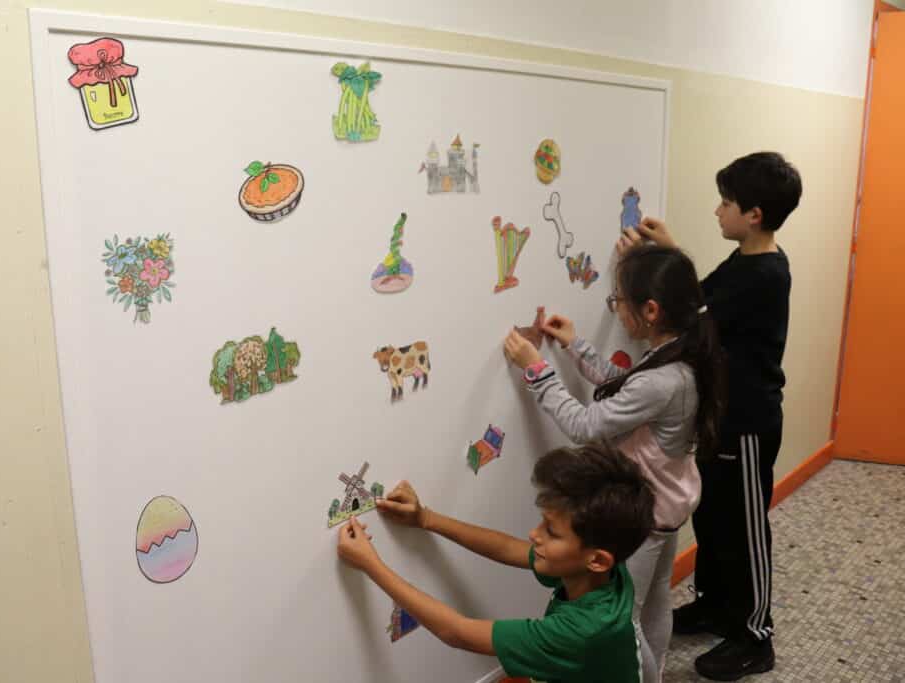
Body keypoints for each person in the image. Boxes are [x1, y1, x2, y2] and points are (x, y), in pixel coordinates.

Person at [503, 244, 725, 683]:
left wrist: (537, 370)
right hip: (669, 504)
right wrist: (575, 346)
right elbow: (624, 386)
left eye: (618, 299)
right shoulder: (679, 355)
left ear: (651, 310)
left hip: (644, 516)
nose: (617, 307)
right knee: (655, 601)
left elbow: (584, 425)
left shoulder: (664, 379)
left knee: (627, 620)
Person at [620, 151, 802, 680]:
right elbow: (704, 300)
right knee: (713, 517)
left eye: (726, 203)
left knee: (744, 528)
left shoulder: (767, 273)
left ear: (754, 215)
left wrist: (659, 264)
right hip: (719, 417)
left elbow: (697, 319)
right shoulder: (743, 260)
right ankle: (716, 605)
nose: (717, 211)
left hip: (747, 423)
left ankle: (755, 635)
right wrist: (671, 252)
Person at [337, 443, 654, 683]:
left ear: (597, 560)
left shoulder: (582, 633)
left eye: (551, 531)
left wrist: (370, 564)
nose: (534, 534)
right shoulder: (601, 566)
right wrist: (425, 518)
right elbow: (508, 548)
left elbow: (456, 632)